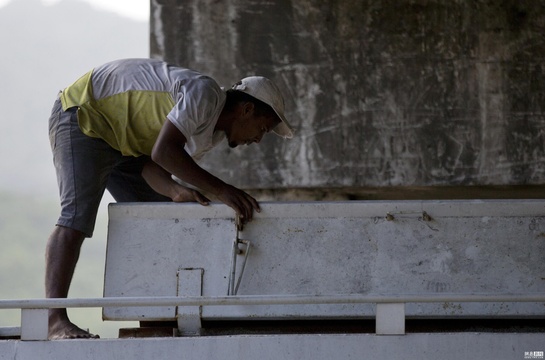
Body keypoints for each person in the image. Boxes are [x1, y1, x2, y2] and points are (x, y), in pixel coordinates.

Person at [46, 58, 294, 340]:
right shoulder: (205, 93)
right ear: (247, 109)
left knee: (157, 220)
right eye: (262, 129)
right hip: (84, 115)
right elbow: (163, 151)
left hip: (124, 144)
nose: (258, 140)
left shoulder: (206, 137)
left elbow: (154, 163)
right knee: (76, 218)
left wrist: (175, 191)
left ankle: (152, 321)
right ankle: (55, 321)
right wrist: (221, 190)